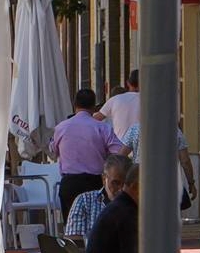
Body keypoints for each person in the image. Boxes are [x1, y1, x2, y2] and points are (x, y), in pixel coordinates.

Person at [51, 88, 126, 220]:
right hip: (95, 183)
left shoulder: (61, 128)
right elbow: (120, 152)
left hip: (70, 183)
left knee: (71, 226)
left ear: (75, 106)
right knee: (97, 225)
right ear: (93, 107)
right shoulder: (102, 128)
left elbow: (53, 151)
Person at [120, 120, 198, 213]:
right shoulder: (174, 131)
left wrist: (125, 179)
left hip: (141, 179)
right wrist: (191, 183)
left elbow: (121, 156)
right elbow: (185, 161)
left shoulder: (135, 129)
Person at [64, 153, 129, 240]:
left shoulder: (139, 204)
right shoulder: (84, 201)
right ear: (104, 179)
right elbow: (73, 243)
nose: (121, 189)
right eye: (115, 183)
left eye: (126, 184)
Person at [101, 69, 141, 142]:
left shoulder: (115, 99)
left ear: (128, 83)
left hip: (119, 148)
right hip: (142, 149)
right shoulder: (150, 101)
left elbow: (95, 119)